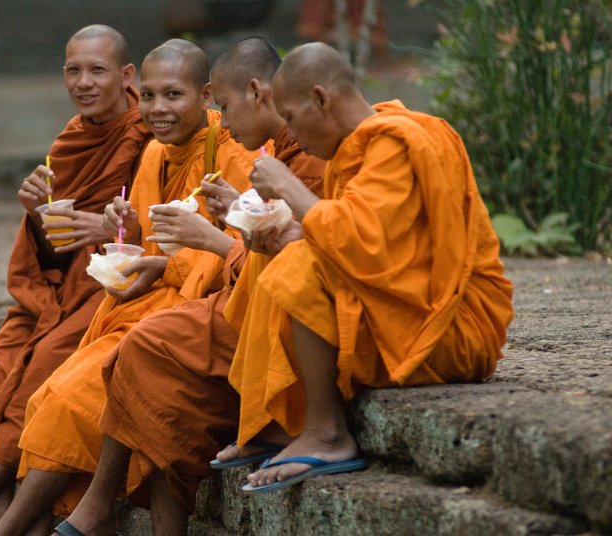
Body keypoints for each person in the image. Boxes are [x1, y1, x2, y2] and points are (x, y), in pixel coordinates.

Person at [0, 38, 257, 536]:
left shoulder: (232, 152)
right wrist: (122, 229)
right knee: (53, 394)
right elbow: (154, 242)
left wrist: (163, 262)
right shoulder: (153, 152)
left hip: (195, 306)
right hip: (147, 303)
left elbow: (240, 253)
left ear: (207, 95)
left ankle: (24, 527)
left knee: (78, 394)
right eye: (148, 96)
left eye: (173, 96)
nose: (157, 109)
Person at [57, 36, 327, 536]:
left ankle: (90, 509)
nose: (158, 109)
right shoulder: (268, 155)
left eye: (222, 106)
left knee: (136, 362)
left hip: (279, 317)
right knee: (124, 364)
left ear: (254, 94)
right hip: (229, 301)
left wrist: (215, 240)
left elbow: (309, 261)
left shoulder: (286, 159)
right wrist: (135, 237)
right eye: (151, 96)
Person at [218, 41, 514, 494]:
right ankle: (278, 422)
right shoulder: (359, 147)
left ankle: (329, 433)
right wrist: (292, 232)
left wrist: (290, 187)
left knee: (298, 267)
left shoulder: (397, 140)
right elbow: (381, 248)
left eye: (292, 117)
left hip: (450, 328)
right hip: (408, 307)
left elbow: (362, 244)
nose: (291, 132)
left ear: (321, 99)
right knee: (283, 256)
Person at [0, 25, 152, 536]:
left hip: (119, 281)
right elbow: (51, 251)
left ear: (126, 75)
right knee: (8, 353)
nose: (84, 82)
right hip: (66, 285)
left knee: (48, 358)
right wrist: (38, 217)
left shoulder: (147, 132)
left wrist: (113, 227)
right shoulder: (72, 138)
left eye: (97, 70)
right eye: (73, 70)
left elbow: (160, 219)